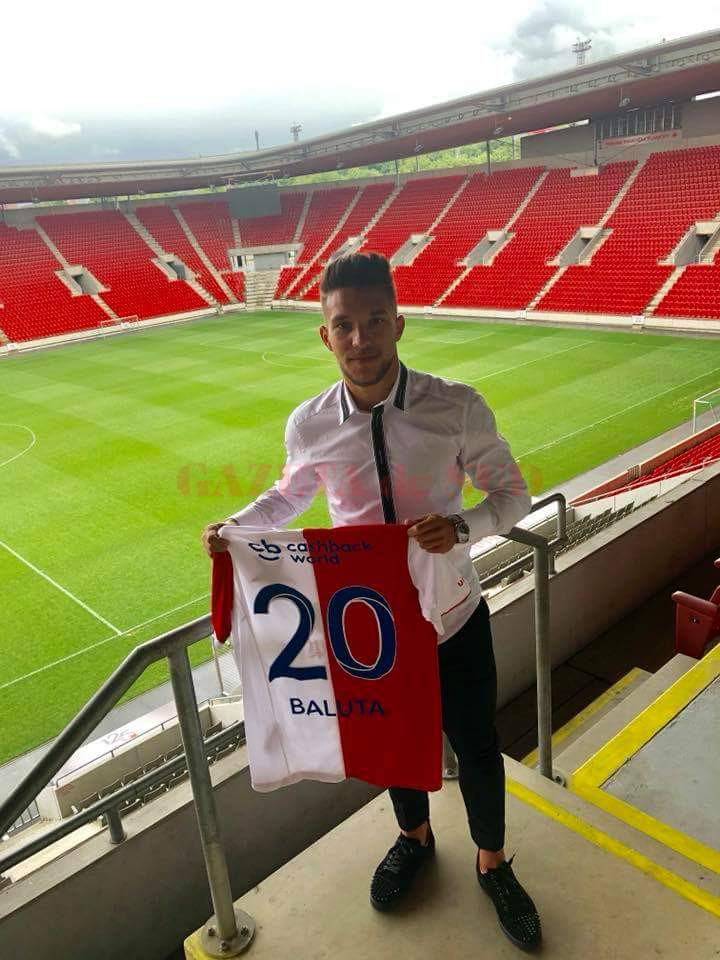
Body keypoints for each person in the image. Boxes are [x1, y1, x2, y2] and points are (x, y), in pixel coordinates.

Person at [202, 252, 541, 951]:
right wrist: (235, 528)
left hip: (452, 617)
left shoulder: (457, 405)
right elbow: (290, 495)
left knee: (478, 746)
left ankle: (492, 862)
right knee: (389, 745)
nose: (361, 339)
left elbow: (513, 495)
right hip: (370, 628)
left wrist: (463, 527)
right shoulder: (309, 424)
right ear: (325, 335)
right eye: (345, 325)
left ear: (399, 324)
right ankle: (414, 838)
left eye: (376, 321)